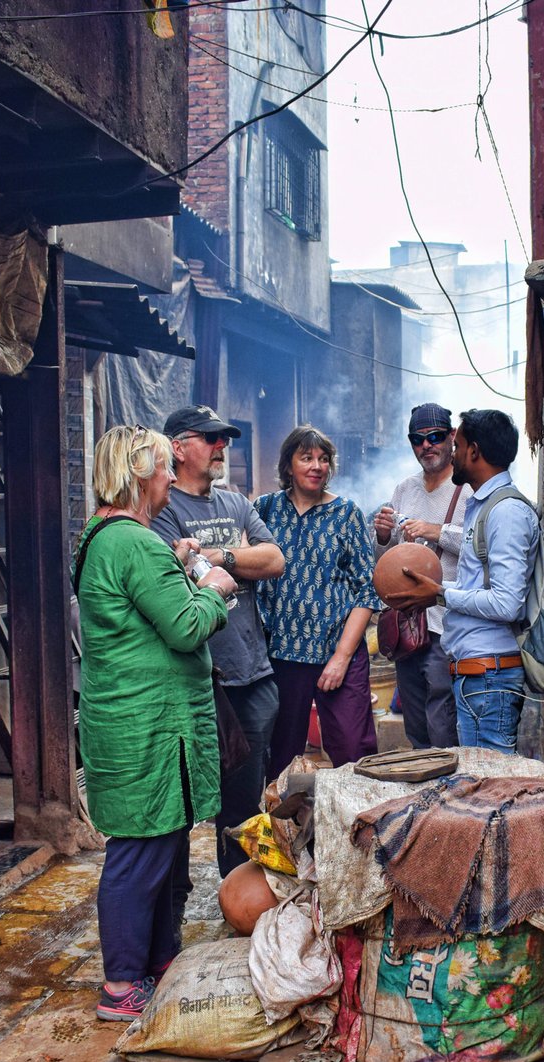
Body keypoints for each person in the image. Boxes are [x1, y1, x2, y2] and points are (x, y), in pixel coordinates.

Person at [74, 426, 238, 1022]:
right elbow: (187, 627)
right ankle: (121, 985)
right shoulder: (133, 543)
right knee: (140, 851)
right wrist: (216, 589)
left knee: (161, 843)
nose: (173, 476)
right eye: (165, 467)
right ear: (141, 475)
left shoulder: (108, 537)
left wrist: (173, 569)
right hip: (145, 723)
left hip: (138, 719)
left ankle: (159, 957)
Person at [150, 405, 286, 877]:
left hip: (253, 671)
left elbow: (273, 560)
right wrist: (231, 561)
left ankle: (240, 898)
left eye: (223, 439)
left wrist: (219, 555)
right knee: (187, 804)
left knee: (246, 803)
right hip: (204, 681)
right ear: (178, 447)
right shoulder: (164, 510)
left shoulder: (236, 503)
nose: (221, 447)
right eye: (210, 439)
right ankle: (178, 900)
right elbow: (180, 573)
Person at [383, 409, 539, 754]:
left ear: (473, 451)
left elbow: (507, 603)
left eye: (457, 443)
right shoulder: (483, 506)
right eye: (418, 439)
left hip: (490, 673)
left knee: (490, 783)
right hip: (476, 670)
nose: (451, 452)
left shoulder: (506, 511)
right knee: (472, 779)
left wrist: (439, 593)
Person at [254, 425, 383, 776]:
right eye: (306, 458)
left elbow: (366, 590)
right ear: (288, 466)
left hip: (338, 651)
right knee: (280, 759)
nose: (316, 466)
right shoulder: (264, 510)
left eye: (323, 459)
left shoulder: (347, 514)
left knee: (354, 753)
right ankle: (284, 828)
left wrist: (341, 658)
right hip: (281, 654)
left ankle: (359, 825)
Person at [372, 403, 472, 748]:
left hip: (450, 624)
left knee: (443, 721)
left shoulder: (469, 489)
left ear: (452, 437)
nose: (427, 445)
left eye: (435, 437)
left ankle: (448, 792)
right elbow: (388, 560)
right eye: (418, 439)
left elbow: (482, 546)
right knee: (415, 723)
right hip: (408, 625)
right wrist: (383, 537)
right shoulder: (405, 489)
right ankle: (424, 792)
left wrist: (436, 530)